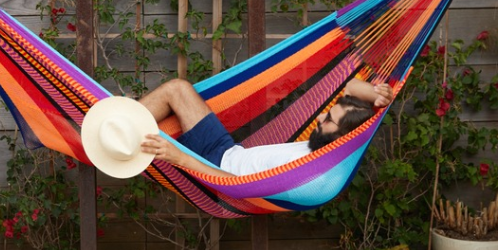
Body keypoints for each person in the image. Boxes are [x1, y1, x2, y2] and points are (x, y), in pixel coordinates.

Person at [138, 77, 392, 178]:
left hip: (214, 171)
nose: (319, 118)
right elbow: (350, 88)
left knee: (174, 93)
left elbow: (238, 188)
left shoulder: (310, 173)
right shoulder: (335, 138)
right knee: (178, 89)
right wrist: (378, 96)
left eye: (328, 120)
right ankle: (113, 122)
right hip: (226, 151)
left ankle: (110, 128)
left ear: (342, 137)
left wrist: (179, 158)